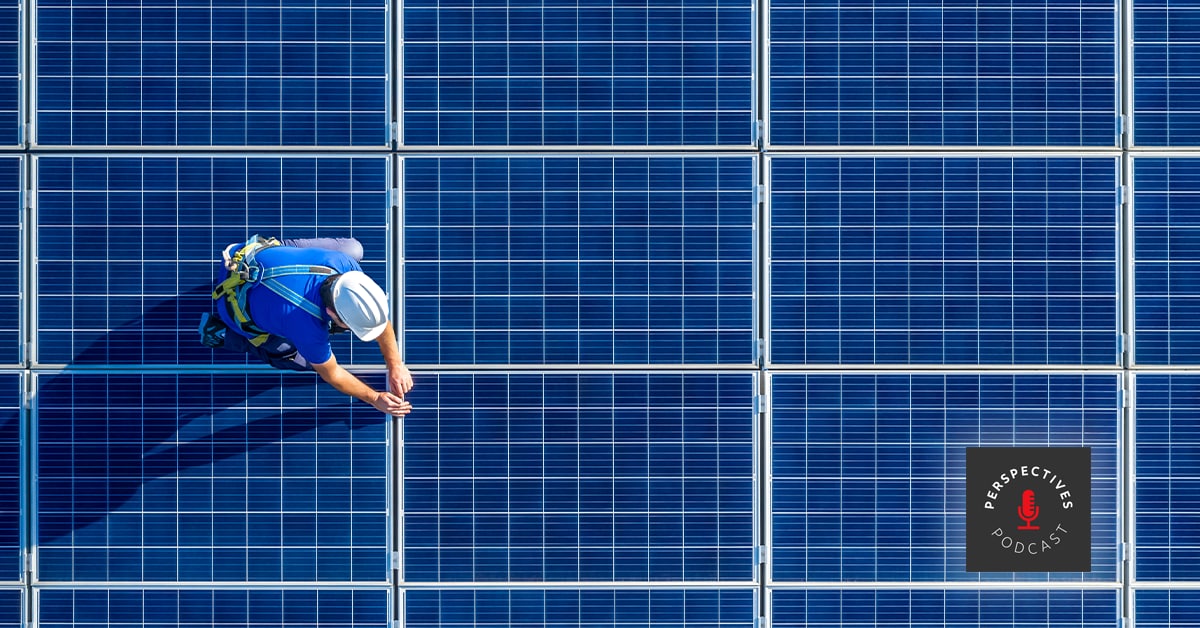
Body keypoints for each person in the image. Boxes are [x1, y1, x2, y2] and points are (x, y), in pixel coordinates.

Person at [200, 236, 412, 416]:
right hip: (231, 302)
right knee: (299, 359)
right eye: (348, 326)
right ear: (330, 313)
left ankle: (281, 252)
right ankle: (222, 334)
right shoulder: (307, 328)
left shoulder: (346, 266)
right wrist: (373, 397)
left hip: (244, 253)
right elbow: (333, 374)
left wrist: (396, 364)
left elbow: (377, 317)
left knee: (354, 248)